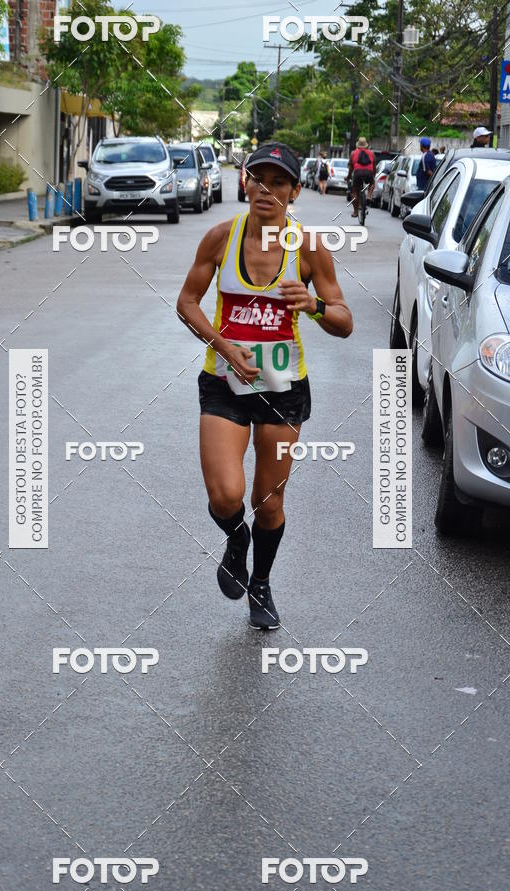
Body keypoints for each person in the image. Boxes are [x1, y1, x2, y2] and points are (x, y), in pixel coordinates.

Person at [176, 142, 353, 630]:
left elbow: (345, 320)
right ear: (244, 184)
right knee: (226, 497)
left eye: (279, 182)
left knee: (268, 502)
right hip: (224, 382)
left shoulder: (309, 248)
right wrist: (224, 345)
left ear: (295, 191)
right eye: (258, 178)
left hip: (283, 389)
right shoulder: (219, 238)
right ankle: (236, 539)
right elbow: (187, 302)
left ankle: (261, 582)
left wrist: (314, 306)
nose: (265, 189)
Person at [347, 136, 375, 217]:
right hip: (369, 173)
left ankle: (355, 212)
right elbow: (374, 167)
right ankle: (369, 195)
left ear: (358, 145)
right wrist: (373, 176)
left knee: (354, 191)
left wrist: (348, 176)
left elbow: (351, 167)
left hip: (357, 173)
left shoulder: (353, 153)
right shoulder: (371, 153)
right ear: (366, 145)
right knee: (372, 183)